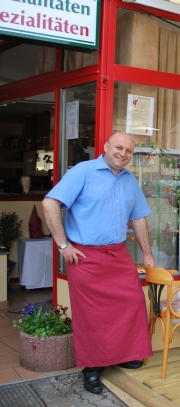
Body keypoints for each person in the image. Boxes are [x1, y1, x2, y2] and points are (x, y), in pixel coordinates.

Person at [42, 132, 155, 395]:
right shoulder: (83, 171)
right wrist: (63, 244)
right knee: (92, 316)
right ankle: (92, 368)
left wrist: (147, 254)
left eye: (128, 151)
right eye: (118, 147)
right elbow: (50, 203)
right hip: (85, 257)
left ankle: (123, 354)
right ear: (106, 147)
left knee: (132, 303)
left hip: (117, 255)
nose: (123, 154)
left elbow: (138, 218)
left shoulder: (129, 180)